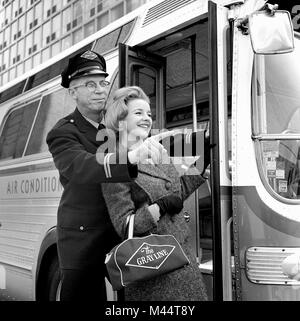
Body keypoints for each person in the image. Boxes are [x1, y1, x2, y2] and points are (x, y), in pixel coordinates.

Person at [46, 51, 175, 301]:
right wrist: (128, 158)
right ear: (73, 92)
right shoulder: (63, 132)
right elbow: (82, 166)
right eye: (89, 84)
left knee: (139, 298)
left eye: (103, 83)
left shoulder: (117, 123)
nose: (99, 90)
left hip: (124, 230)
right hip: (85, 238)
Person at [102, 86, 209, 301]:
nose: (147, 118)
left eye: (149, 114)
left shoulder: (157, 151)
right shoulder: (116, 163)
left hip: (183, 259)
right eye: (138, 113)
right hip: (154, 268)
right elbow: (125, 226)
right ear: (121, 119)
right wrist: (160, 208)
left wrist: (202, 167)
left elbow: (176, 193)